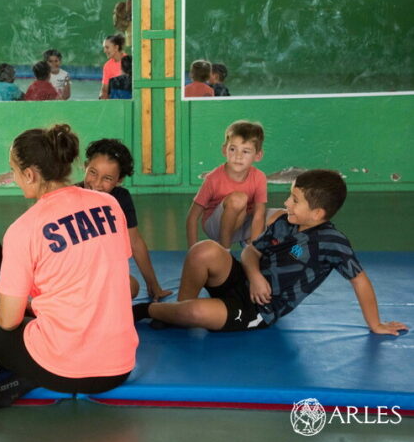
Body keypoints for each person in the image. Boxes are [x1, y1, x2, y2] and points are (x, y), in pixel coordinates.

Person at [0, 124, 138, 434]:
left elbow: (7, 322)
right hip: (119, 366)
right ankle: (18, 384)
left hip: (64, 369)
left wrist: (23, 304)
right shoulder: (110, 206)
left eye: (13, 171)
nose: (14, 178)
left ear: (29, 174)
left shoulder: (24, 228)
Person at [134, 170, 409, 336]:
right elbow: (250, 253)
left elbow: (360, 281)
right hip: (243, 281)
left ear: (317, 214)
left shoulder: (332, 243)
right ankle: (175, 312)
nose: (287, 202)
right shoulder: (284, 222)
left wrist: (376, 324)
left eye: (295, 200)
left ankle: (146, 310)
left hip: (258, 308)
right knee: (203, 249)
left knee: (196, 314)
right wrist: (254, 276)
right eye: (290, 195)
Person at [78, 138, 171, 300]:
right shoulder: (70, 196)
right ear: (85, 166)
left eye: (107, 178)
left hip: (100, 273)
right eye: (93, 172)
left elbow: (135, 242)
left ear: (119, 180)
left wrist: (154, 285)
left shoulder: (121, 198)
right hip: (75, 275)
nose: (97, 183)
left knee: (131, 286)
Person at [186, 120, 267, 249]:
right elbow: (192, 217)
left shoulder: (259, 177)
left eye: (245, 151)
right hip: (216, 228)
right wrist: (193, 250)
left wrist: (254, 249)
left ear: (258, 155)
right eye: (233, 149)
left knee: (280, 215)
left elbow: (259, 215)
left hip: (241, 225)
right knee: (239, 199)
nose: (238, 156)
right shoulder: (213, 179)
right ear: (225, 150)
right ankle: (224, 250)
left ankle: (248, 244)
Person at [100, 34, 127, 99]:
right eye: (104, 48)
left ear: (116, 48)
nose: (104, 51)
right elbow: (104, 90)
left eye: (107, 47)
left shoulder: (130, 62)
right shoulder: (107, 66)